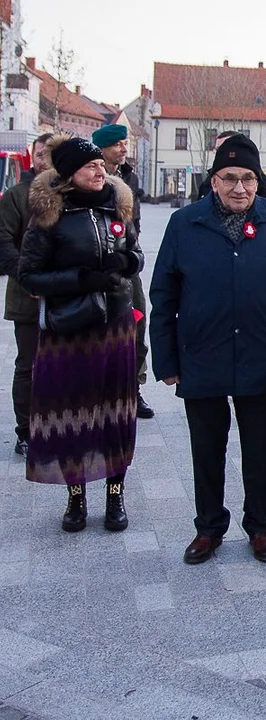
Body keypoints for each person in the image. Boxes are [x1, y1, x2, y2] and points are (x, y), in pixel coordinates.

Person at [150, 134, 266, 564]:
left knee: (262, 448)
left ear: (259, 181)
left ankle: (261, 527)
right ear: (213, 180)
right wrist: (166, 360)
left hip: (263, 352)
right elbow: (163, 295)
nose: (239, 187)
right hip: (202, 353)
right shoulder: (186, 224)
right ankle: (208, 528)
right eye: (229, 178)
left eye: (248, 178)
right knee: (206, 447)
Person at [18, 137, 143, 533]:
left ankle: (115, 496)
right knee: (72, 414)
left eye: (99, 165)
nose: (99, 170)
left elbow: (136, 253)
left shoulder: (117, 205)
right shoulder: (50, 214)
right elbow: (29, 275)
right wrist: (79, 279)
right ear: (71, 173)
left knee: (115, 412)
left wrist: (127, 260)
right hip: (71, 327)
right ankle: (75, 498)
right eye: (90, 166)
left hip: (116, 325)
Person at [92, 124, 154, 420]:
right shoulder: (90, 177)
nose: (124, 148)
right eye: (117, 144)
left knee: (137, 321)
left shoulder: (130, 177)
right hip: (97, 268)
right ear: (102, 148)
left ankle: (133, 389)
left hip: (128, 265)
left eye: (124, 143)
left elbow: (134, 223)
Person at [0, 133, 52, 456]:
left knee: (59, 364)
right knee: (28, 365)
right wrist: (28, 278)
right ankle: (25, 429)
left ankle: (54, 424)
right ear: (34, 157)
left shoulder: (67, 196)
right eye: (43, 154)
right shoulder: (17, 196)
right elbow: (3, 242)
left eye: (53, 155)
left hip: (63, 298)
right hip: (26, 297)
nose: (48, 160)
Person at [197, 130, 266, 202]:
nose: (239, 190)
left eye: (225, 147)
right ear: (214, 182)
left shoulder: (265, 188)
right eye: (218, 149)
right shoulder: (207, 183)